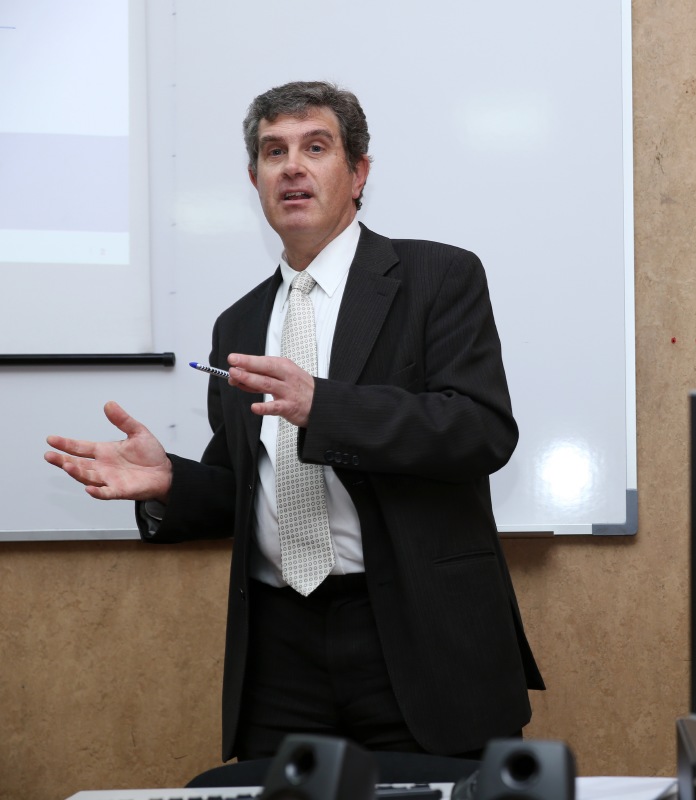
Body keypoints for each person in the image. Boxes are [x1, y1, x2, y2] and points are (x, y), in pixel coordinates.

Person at [45, 81, 543, 763]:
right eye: (273, 152)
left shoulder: (437, 278)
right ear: (255, 180)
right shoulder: (240, 322)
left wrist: (325, 406)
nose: (292, 167)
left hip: (414, 633)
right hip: (281, 647)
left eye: (315, 147)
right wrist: (170, 485)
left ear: (358, 171)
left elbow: (480, 430)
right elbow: (242, 487)